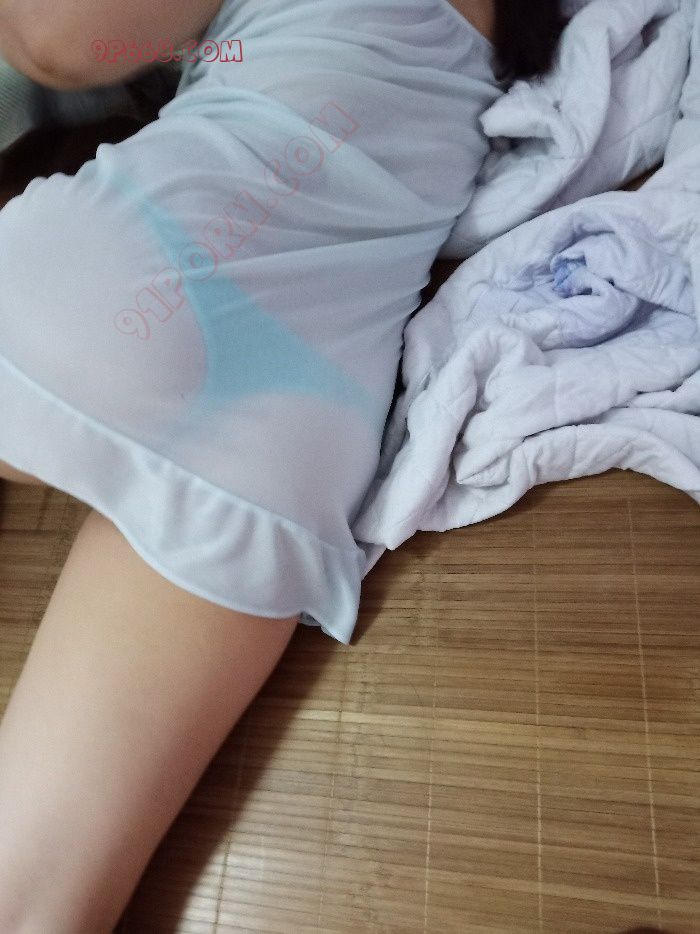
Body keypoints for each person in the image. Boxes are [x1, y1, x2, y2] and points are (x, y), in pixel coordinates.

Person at [0, 1, 565, 930]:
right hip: (301, 417)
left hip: (145, 267)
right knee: (29, 899)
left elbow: (58, 44)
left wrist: (183, 44)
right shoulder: (506, 30)